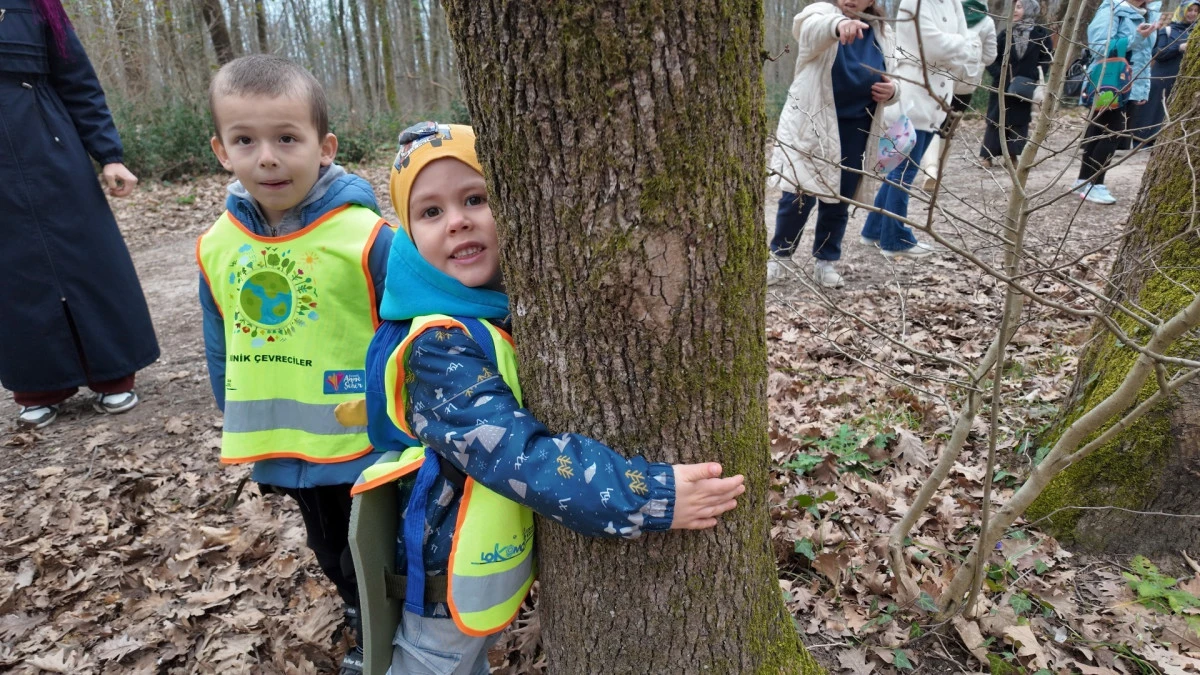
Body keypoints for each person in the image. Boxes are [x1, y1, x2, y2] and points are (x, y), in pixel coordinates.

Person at [353, 123, 746, 674]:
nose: (458, 219)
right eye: (431, 212)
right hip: (440, 591)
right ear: (411, 240)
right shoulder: (438, 348)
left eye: (474, 198)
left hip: (475, 571)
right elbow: (520, 456)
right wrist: (647, 496)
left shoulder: (491, 313)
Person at [195, 54, 397, 675]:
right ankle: (360, 610)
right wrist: (234, 412)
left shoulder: (365, 236)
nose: (268, 158)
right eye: (245, 140)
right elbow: (218, 337)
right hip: (286, 442)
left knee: (377, 549)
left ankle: (388, 633)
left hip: (368, 441)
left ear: (325, 146)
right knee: (329, 548)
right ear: (221, 151)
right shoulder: (218, 245)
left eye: (287, 138)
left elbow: (412, 327)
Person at [0, 0, 159, 428]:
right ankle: (38, 387)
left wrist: (109, 155)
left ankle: (114, 373)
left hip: (52, 149)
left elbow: (78, 82)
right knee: (12, 271)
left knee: (89, 255)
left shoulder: (37, 7)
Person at [767, 0, 900, 288]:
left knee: (841, 199)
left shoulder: (883, 31)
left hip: (858, 128)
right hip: (813, 126)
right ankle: (780, 257)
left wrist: (892, 91)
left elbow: (898, 73)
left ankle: (825, 263)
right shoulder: (820, 14)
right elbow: (809, 30)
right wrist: (838, 26)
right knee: (798, 195)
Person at [861, 0, 980, 259]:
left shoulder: (953, 4)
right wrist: (961, 46)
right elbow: (936, 46)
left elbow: (969, 46)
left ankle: (874, 230)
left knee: (898, 170)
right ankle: (894, 239)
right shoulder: (915, 2)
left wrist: (959, 47)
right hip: (912, 97)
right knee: (902, 172)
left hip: (937, 98)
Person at [1073, 0, 1158, 205]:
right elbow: (1099, 47)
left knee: (1100, 131)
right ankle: (1095, 184)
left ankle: (1084, 180)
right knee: (1112, 132)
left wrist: (1142, 88)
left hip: (1131, 83)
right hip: (1109, 82)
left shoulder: (1149, 13)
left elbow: (1144, 55)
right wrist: (1136, 37)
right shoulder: (1112, 9)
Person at [922, 0, 997, 188]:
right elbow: (990, 57)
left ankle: (928, 170)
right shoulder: (986, 22)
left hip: (941, 77)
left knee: (933, 123)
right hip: (966, 83)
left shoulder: (950, 11)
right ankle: (938, 173)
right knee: (948, 128)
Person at [979, 0, 1054, 164]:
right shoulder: (1005, 35)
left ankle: (1012, 156)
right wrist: (1001, 75)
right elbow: (991, 58)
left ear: (1029, 9)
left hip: (1025, 86)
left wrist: (1033, 75)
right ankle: (987, 156)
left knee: (1019, 120)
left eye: (1019, 7)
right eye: (1014, 7)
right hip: (1002, 86)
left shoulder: (1041, 35)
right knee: (996, 119)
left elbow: (1047, 59)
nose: (1015, 11)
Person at [1132, 0, 1198, 144]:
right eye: (1189, 10)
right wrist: (1179, 48)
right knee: (1152, 115)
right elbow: (1158, 54)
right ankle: (1142, 143)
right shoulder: (1167, 31)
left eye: (1196, 10)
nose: (1192, 13)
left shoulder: (1196, 33)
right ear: (1182, 11)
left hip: (1183, 81)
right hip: (1161, 79)